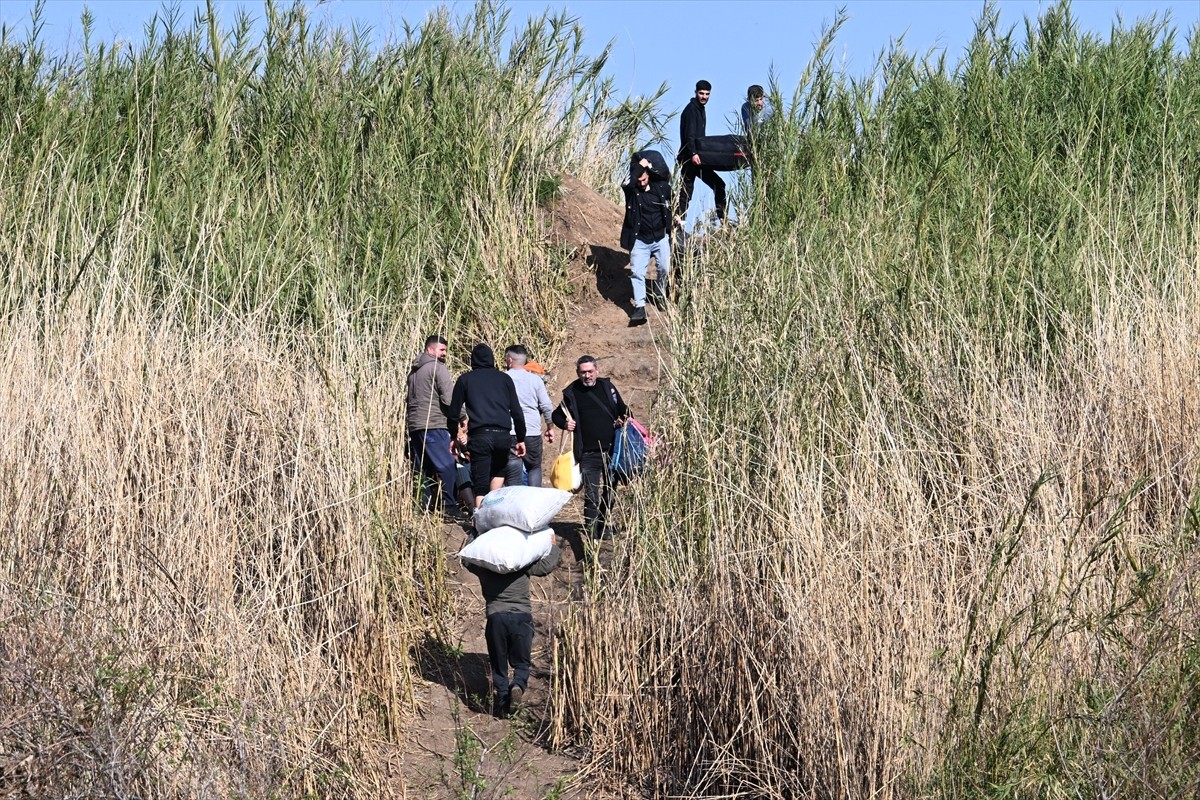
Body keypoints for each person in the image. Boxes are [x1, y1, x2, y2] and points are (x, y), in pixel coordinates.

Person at [465, 535, 561, 717]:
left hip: (496, 619)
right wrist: (553, 546)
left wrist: (475, 532)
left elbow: (467, 559)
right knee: (522, 663)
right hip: (521, 618)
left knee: (498, 664)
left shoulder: (485, 565)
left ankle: (502, 703)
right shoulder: (522, 563)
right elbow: (547, 565)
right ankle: (517, 684)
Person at [551, 355, 629, 540]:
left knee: (610, 492)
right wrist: (565, 424)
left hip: (611, 451)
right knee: (591, 495)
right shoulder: (571, 393)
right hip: (588, 453)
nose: (587, 376)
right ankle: (591, 531)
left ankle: (601, 526)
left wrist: (622, 420)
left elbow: (625, 411)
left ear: (597, 371)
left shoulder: (607, 388)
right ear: (578, 373)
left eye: (590, 372)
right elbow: (556, 415)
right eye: (583, 372)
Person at [446, 344, 526, 507]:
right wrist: (521, 438)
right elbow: (517, 411)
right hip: (503, 435)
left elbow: (453, 413)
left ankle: (480, 523)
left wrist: (453, 436)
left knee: (481, 483)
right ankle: (493, 514)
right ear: (491, 359)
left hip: (480, 436)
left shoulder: (465, 380)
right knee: (498, 472)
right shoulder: (504, 379)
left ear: (472, 360)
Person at [406, 334, 460, 516]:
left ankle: (424, 506)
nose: (445, 353)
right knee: (446, 465)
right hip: (434, 423)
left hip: (415, 426)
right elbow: (449, 397)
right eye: (442, 350)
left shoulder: (414, 372)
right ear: (430, 349)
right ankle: (449, 507)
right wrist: (463, 415)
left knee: (424, 468)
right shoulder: (437, 367)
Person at [620, 150, 673, 323]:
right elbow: (628, 183)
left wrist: (677, 216)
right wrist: (639, 166)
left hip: (660, 237)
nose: (641, 183)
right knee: (637, 272)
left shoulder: (662, 188)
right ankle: (640, 307)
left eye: (643, 179)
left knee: (664, 268)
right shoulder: (631, 191)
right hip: (640, 240)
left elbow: (673, 202)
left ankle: (659, 292)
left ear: (649, 175)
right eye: (639, 180)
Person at [675, 79, 726, 228]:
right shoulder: (691, 109)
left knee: (719, 185)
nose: (704, 96)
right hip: (690, 158)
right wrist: (693, 153)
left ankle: (723, 220)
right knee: (686, 191)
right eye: (701, 93)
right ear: (695, 92)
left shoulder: (700, 109)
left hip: (698, 157)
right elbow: (689, 135)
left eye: (707, 94)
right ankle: (679, 223)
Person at [504, 345, 555, 487]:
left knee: (513, 470)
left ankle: (514, 506)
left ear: (509, 359)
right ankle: (535, 504)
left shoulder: (502, 378)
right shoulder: (535, 380)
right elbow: (546, 405)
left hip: (510, 431)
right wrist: (550, 426)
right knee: (534, 467)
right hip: (531, 431)